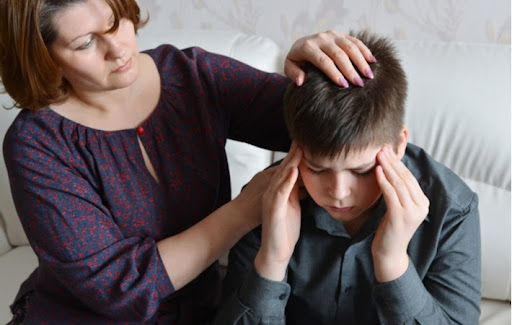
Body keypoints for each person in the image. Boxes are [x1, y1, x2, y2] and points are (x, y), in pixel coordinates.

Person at [0, 0, 377, 323]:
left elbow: (329, 129)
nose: (117, 49)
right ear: (43, 58)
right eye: (84, 44)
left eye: (116, 23)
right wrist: (247, 209)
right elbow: (118, 288)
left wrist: (308, 72)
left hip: (205, 311)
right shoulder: (36, 145)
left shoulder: (193, 75)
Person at [214, 31, 481, 324]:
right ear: (295, 149)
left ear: (399, 143)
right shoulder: (267, 200)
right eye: (317, 168)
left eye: (362, 171)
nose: (339, 192)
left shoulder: (453, 210)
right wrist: (273, 260)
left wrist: (392, 263)